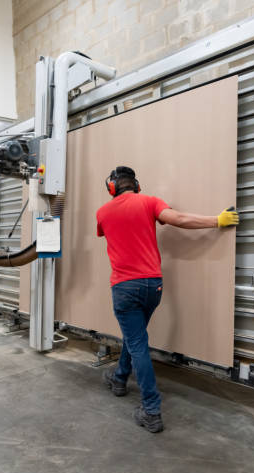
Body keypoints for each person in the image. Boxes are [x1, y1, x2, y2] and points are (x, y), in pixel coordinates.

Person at [98, 166, 238, 433]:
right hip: (153, 286)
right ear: (136, 185)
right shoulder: (149, 201)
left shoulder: (102, 213)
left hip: (124, 287)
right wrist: (217, 220)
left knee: (137, 343)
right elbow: (180, 219)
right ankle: (118, 379)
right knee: (135, 337)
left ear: (112, 188)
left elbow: (107, 231)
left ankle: (151, 411)